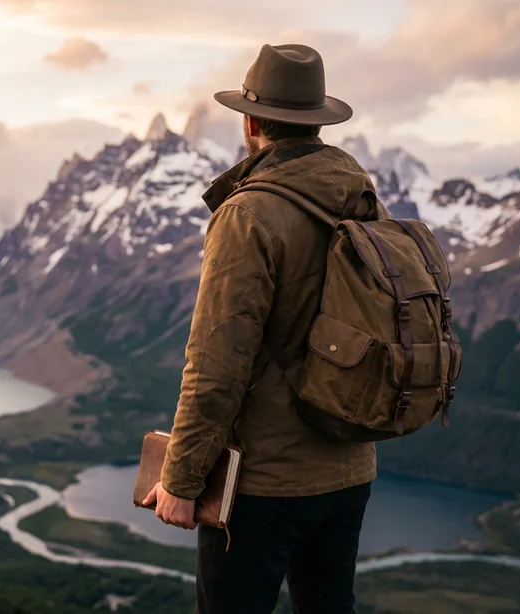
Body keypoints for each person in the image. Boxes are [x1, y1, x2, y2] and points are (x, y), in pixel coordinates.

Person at [142, 43, 381, 613]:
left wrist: (181, 479)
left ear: (250, 122)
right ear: (318, 121)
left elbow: (217, 362)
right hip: (350, 471)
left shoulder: (248, 213)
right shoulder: (361, 197)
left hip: (263, 486)